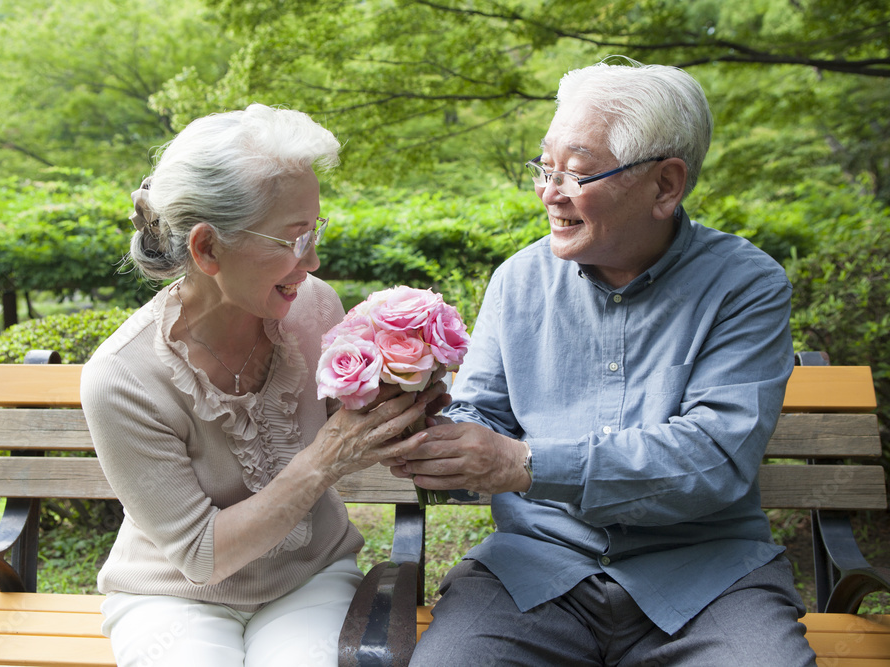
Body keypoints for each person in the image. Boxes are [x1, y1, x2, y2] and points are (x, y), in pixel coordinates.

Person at [391, 61, 817, 666]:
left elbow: (713, 457)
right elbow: (481, 415)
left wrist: (525, 463)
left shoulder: (744, 284)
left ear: (666, 186)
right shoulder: (519, 280)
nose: (549, 190)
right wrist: (418, 420)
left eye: (578, 172)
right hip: (534, 574)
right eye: (545, 166)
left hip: (707, 579)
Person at [80, 105, 444, 667]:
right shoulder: (122, 377)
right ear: (206, 249)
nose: (314, 260)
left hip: (309, 576)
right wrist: (323, 461)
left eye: (315, 231)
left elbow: (354, 434)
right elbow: (201, 556)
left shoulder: (314, 307)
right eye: (294, 239)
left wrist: (407, 398)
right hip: (171, 594)